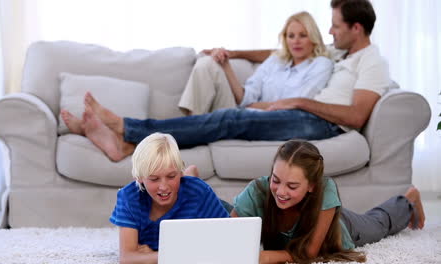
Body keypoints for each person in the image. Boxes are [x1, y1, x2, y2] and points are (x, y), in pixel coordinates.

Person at [61, 0, 392, 162]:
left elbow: (356, 117)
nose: (331, 31)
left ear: (357, 28)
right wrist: (233, 53)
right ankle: (130, 144)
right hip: (306, 117)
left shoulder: (371, 60)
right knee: (228, 118)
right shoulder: (340, 53)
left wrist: (300, 101)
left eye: (336, 25)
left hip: (321, 125)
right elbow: (281, 52)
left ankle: (126, 129)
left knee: (231, 118)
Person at [231, 140, 425, 263]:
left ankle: (409, 199)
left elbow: (309, 252)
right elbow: (229, 234)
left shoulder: (325, 189)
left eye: (292, 186)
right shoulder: (256, 191)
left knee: (379, 224)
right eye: (275, 180)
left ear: (312, 186)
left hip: (341, 228)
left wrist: (264, 257)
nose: (280, 191)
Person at [178, 11, 333, 115]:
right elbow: (245, 98)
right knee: (208, 63)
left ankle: (191, 129)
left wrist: (253, 106)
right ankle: (190, 123)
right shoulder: (276, 60)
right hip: (241, 113)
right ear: (285, 38)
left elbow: (294, 105)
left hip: (267, 122)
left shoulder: (321, 64)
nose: (296, 41)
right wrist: (226, 65)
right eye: (291, 36)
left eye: (303, 35)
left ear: (313, 38)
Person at [109, 132, 229, 264]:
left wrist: (154, 256)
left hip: (194, 196)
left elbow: (224, 243)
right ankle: (189, 174)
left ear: (180, 172)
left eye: (171, 176)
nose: (164, 187)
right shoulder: (128, 197)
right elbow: (127, 258)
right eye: (154, 179)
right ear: (139, 177)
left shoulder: (199, 191)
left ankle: (191, 175)